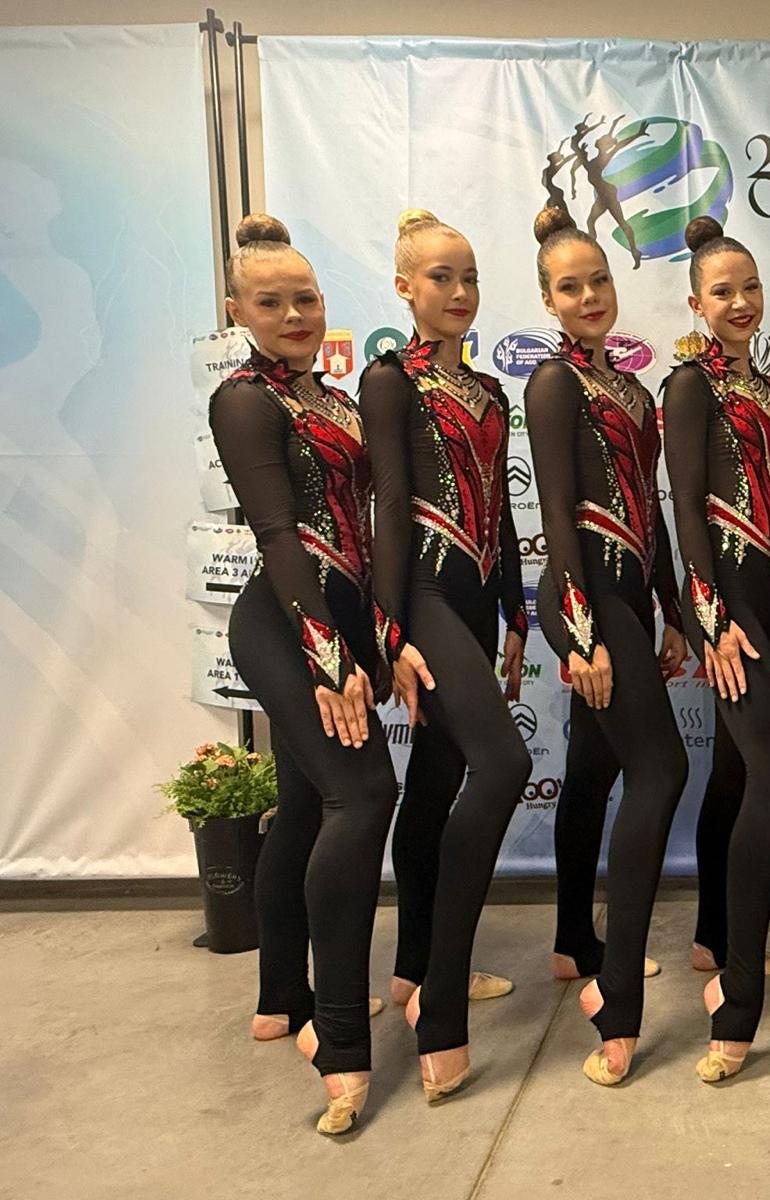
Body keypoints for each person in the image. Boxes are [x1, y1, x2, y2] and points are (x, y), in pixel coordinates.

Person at [211, 214, 396, 1134]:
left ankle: (279, 994)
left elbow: (367, 525)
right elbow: (281, 536)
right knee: (363, 796)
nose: (293, 315)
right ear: (235, 310)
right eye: (271, 302)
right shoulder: (245, 401)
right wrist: (330, 658)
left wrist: (375, 637)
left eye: (306, 299)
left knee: (305, 804)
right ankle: (338, 1035)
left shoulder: (336, 398)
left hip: (337, 619)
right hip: (285, 626)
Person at [359, 208, 532, 1101]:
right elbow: (391, 508)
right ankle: (442, 1006)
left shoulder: (491, 390)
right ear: (404, 288)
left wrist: (514, 610)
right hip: (422, 595)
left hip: (474, 597)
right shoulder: (389, 380)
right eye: (441, 278)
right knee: (504, 764)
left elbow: (498, 507)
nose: (460, 292)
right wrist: (390, 630)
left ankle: (413, 966)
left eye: (469, 278)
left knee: (435, 781)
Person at [523, 204, 689, 1085]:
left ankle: (570, 942)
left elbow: (647, 509)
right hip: (581, 596)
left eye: (599, 281)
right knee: (661, 770)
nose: (589, 296)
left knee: (592, 767)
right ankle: (614, 1000)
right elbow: (559, 514)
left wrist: (671, 609)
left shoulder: (631, 389)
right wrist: (583, 632)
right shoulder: (554, 384)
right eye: (569, 287)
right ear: (547, 299)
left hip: (627, 593)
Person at [663, 215, 770, 1081]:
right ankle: (737, 985)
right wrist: (709, 613)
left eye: (750, 287)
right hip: (725, 597)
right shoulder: (689, 386)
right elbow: (686, 506)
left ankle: (712, 935)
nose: (741, 302)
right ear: (697, 304)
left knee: (735, 769)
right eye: (723, 292)